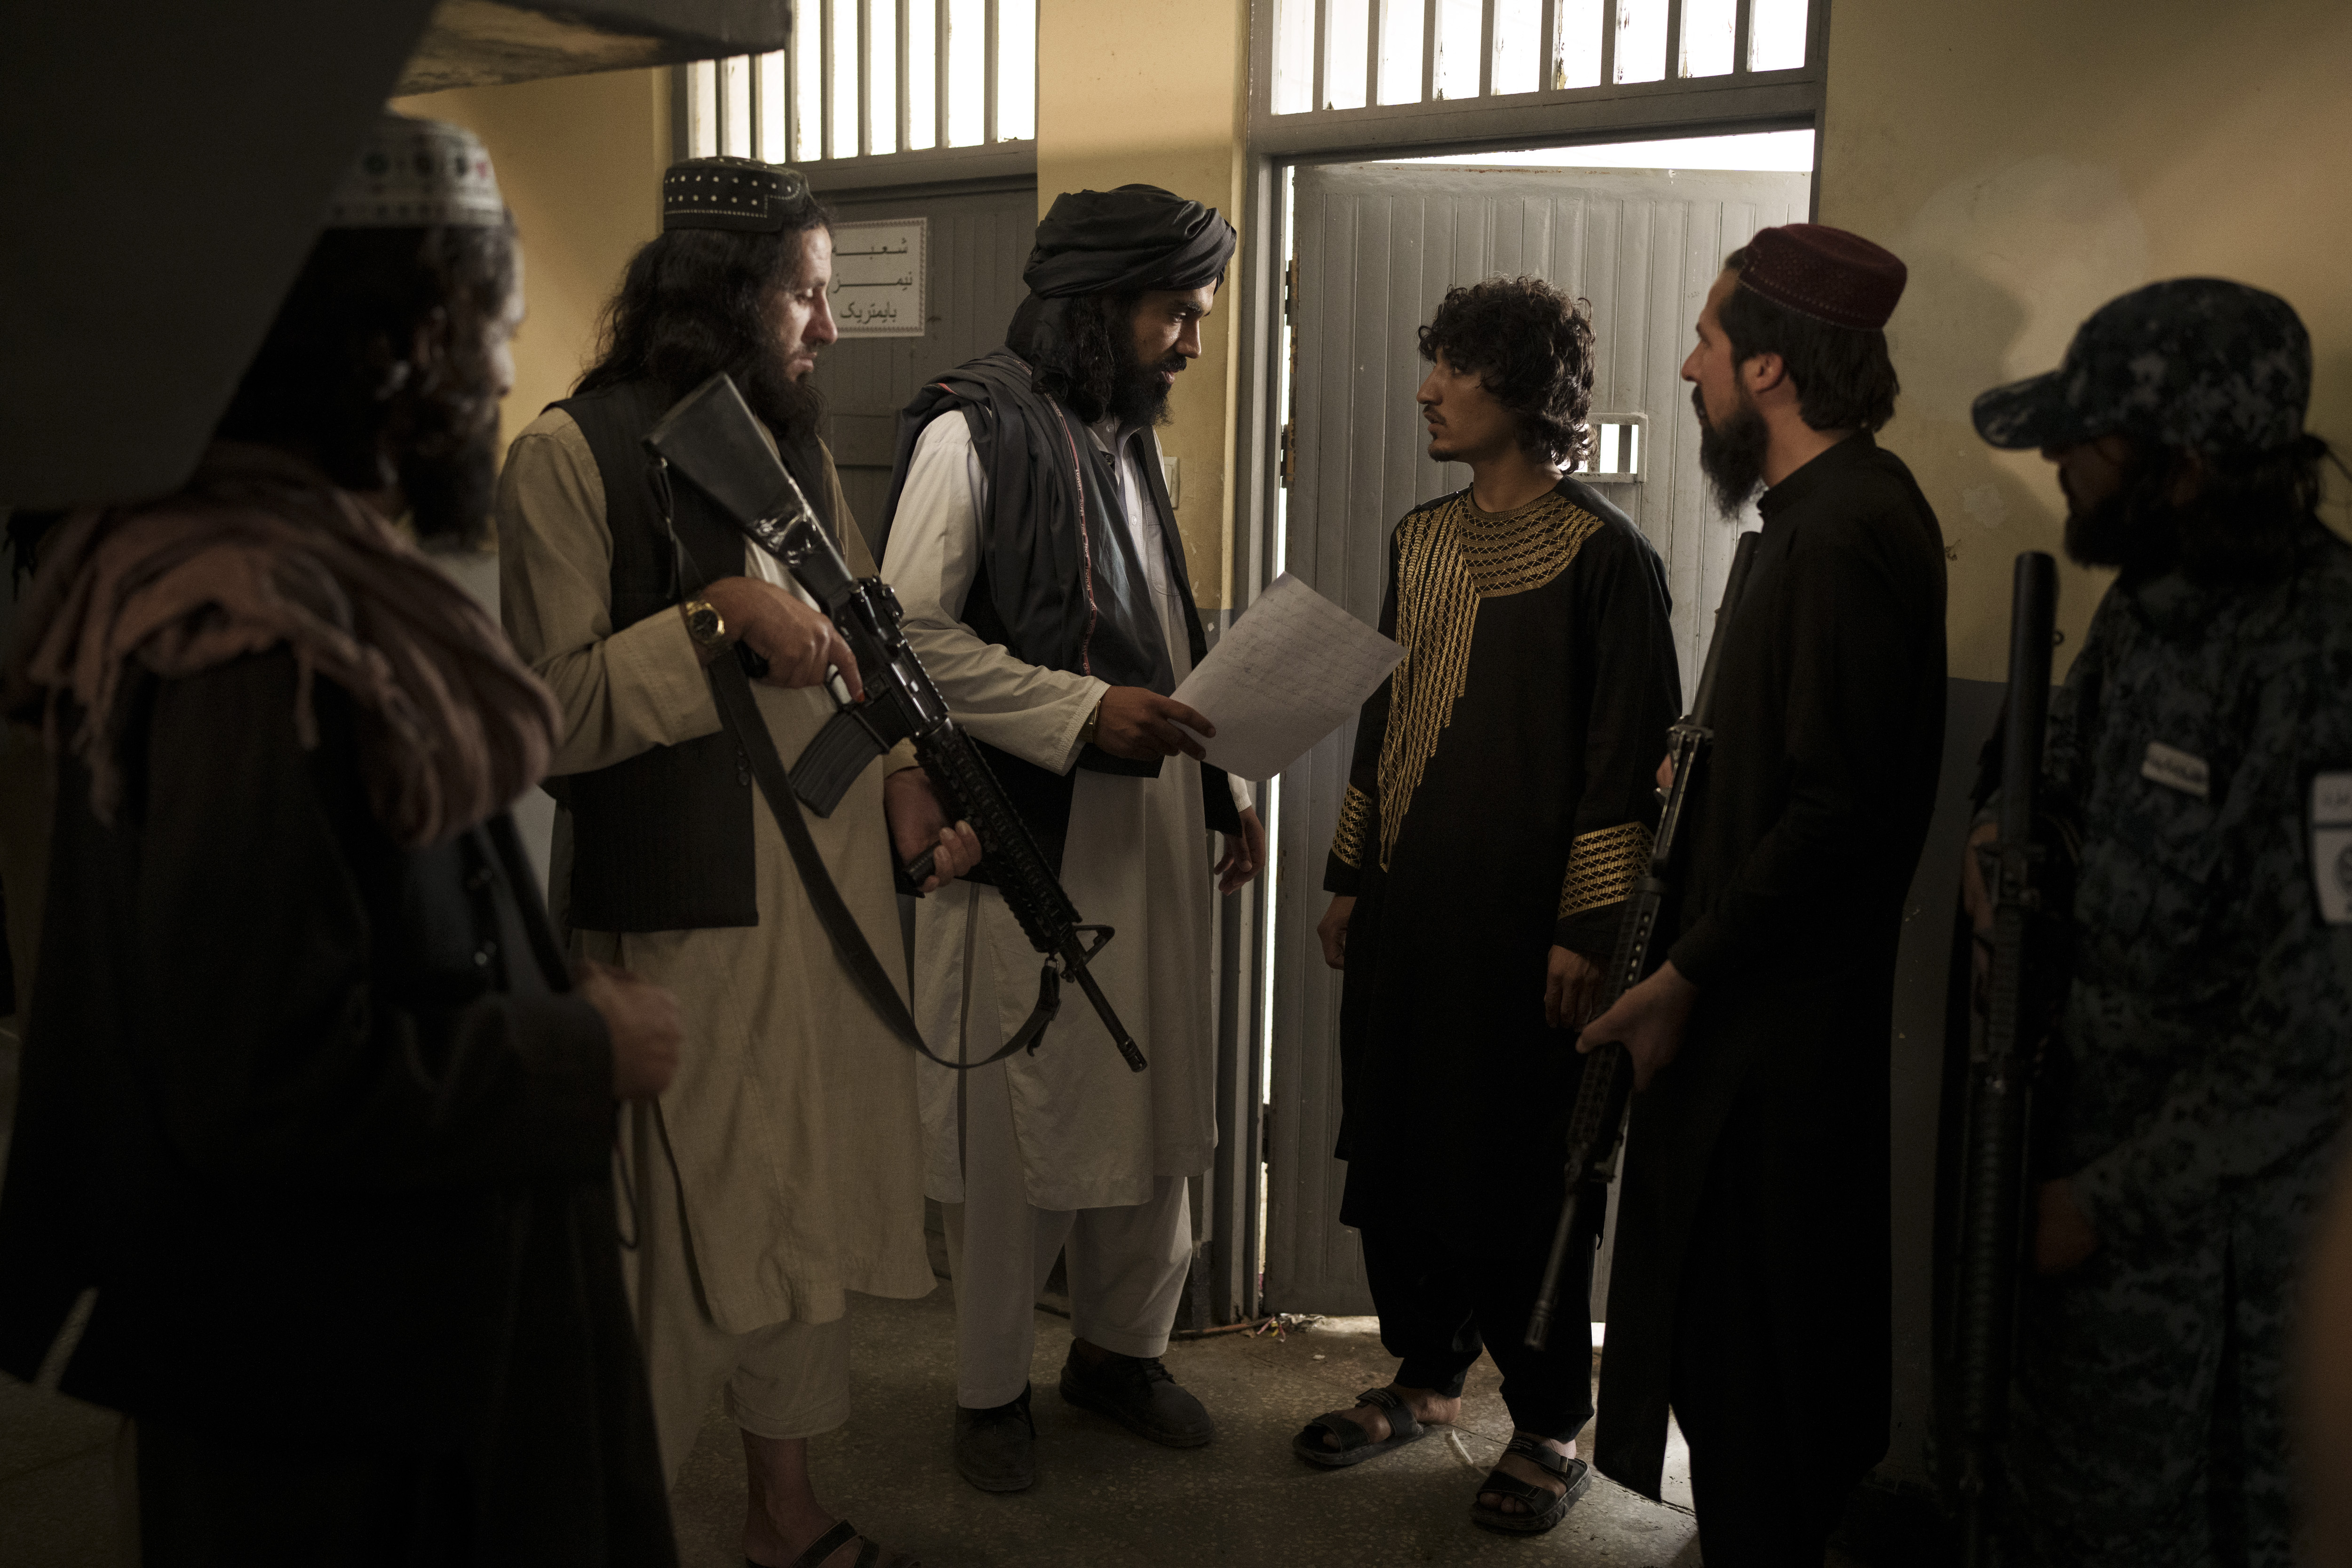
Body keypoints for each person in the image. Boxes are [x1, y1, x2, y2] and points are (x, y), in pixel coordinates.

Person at [0, 114, 682, 1564]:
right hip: (333, 1406)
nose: (504, 372)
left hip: (375, 1359)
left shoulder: (309, 580)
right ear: (402, 342)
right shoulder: (252, 633)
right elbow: (261, 1078)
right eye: (494, 326)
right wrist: (580, 1049)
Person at [495, 156, 978, 1568]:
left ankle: (785, 1513)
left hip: (825, 918)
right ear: (721, 298)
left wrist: (907, 780)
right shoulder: (568, 458)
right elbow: (550, 716)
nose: (828, 326)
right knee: (679, 1251)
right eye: (804, 295)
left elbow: (868, 644)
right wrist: (712, 621)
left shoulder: (796, 460)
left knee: (799, 1225)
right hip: (681, 931)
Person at [877, 183, 1265, 1493]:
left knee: (1153, 1099)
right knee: (1021, 1122)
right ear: (1101, 307)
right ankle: (990, 1389)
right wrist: (1083, 712)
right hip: (1029, 830)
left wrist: (1219, 794)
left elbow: (1160, 632)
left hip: (1149, 827)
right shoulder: (973, 431)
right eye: (1179, 314)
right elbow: (908, 641)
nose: (1193, 343)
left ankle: (1120, 1351)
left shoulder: (1123, 436)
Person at [1958, 279, 2352, 1568]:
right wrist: (2002, 844)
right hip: (2080, 1200)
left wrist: (2102, 1204)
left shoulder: (2322, 658)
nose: (2060, 462)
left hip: (2221, 1269)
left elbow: (2317, 1029)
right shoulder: (2149, 604)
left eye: (2090, 438)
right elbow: (2055, 775)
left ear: (2185, 467)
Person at [1577, 223, 1947, 1564]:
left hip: (1772, 1056)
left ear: (1772, 369)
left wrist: (1685, 975)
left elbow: (1836, 813)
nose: (1691, 369)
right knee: (1734, 1371)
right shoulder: (1818, 517)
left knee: (1763, 1382)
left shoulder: (1846, 531)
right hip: (1750, 1033)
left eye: (1708, 343)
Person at [1289, 277, 1681, 1533]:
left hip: (1529, 941)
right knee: (1404, 1150)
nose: (1428, 391)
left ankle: (1551, 1420)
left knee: (1520, 1173)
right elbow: (1386, 718)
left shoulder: (1608, 559)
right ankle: (1426, 1375)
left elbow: (1628, 760)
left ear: (1523, 388)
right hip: (1410, 918)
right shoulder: (1418, 541)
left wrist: (1589, 933)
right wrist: (1352, 875)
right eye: (1435, 365)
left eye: (1456, 368)